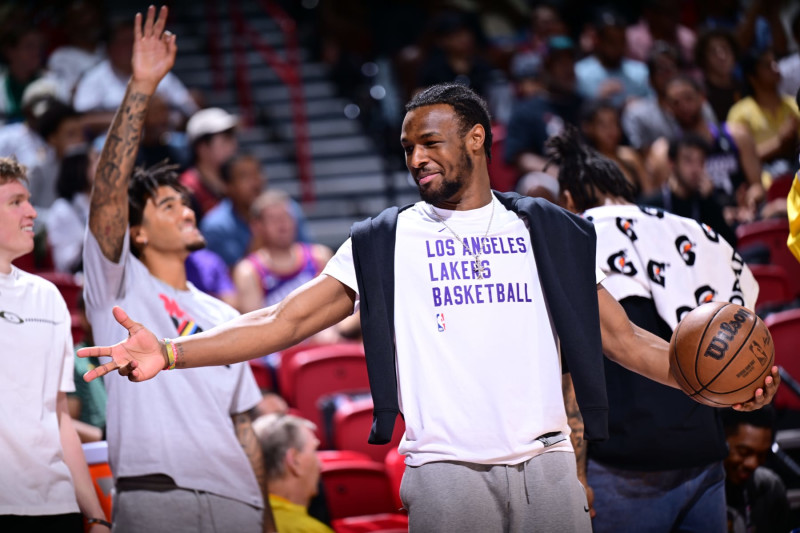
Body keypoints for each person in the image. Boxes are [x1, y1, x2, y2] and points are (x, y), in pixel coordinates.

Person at [79, 82, 779, 532]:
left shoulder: (549, 229)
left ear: (477, 138)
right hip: (446, 474)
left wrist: (721, 386)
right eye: (408, 145)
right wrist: (170, 352)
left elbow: (626, 341)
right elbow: (282, 321)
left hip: (548, 469)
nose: (417, 156)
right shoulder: (386, 239)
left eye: (431, 141)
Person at [80, 8, 274, 532]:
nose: (186, 210)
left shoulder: (223, 311)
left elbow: (243, 427)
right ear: (136, 233)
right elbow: (107, 195)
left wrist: (268, 520)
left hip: (240, 503)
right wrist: (142, 86)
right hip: (156, 495)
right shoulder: (116, 283)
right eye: (167, 206)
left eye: (185, 203)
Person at [551, 126, 758, 533]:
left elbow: (574, 370)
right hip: (705, 454)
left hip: (627, 468)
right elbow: (747, 328)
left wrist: (577, 472)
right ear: (625, 189)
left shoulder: (575, 240)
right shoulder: (701, 234)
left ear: (569, 199)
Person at [0, 157, 109, 531]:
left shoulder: (48, 297)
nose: (32, 212)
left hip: (56, 507)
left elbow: (59, 413)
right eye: (15, 202)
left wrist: (95, 514)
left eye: (29, 201)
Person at [648, 76, 763, 224]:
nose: (683, 106)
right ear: (668, 109)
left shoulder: (737, 135)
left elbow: (758, 185)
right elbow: (666, 204)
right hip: (698, 222)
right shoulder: (663, 152)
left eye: (688, 98)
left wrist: (750, 199)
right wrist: (717, 213)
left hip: (744, 216)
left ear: (702, 97)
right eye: (676, 103)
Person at [233, 190, 331, 314]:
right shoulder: (248, 271)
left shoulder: (320, 256)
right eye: (273, 219)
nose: (282, 223)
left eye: (286, 216)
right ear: (257, 226)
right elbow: (254, 326)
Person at [642, 134, 737, 246]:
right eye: (688, 161)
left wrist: (709, 202)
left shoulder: (705, 202)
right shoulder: (650, 205)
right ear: (672, 164)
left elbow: (729, 243)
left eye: (701, 162)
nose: (695, 169)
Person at [252, 414, 333, 533]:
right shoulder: (309, 530)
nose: (320, 464)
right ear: (294, 461)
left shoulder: (243, 518)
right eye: (314, 451)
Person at [727, 47, 800, 173]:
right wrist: (779, 143)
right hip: (764, 179)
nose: (775, 67)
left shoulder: (794, 104)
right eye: (767, 65)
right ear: (752, 77)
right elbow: (738, 159)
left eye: (775, 62)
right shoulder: (739, 112)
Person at [721, 407, 790, 533]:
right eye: (743, 452)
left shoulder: (770, 487)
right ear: (720, 439)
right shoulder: (697, 491)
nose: (753, 464)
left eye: (762, 455)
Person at [575, 10, 650, 108]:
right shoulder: (579, 72)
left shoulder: (640, 71)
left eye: (621, 41)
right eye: (611, 41)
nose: (617, 46)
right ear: (598, 41)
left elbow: (654, 103)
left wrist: (640, 104)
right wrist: (599, 99)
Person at [200, 154, 264, 267]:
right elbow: (226, 278)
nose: (255, 183)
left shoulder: (286, 210)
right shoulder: (215, 227)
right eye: (244, 177)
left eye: (257, 173)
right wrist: (260, 238)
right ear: (227, 186)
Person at [179, 107, 239, 219]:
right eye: (226, 140)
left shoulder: (232, 180)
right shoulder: (187, 188)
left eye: (232, 139)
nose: (233, 146)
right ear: (202, 148)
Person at [45, 150, 91, 273]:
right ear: (79, 169)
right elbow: (64, 262)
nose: (102, 168)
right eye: (94, 162)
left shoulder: (97, 204)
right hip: (74, 281)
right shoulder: (62, 209)